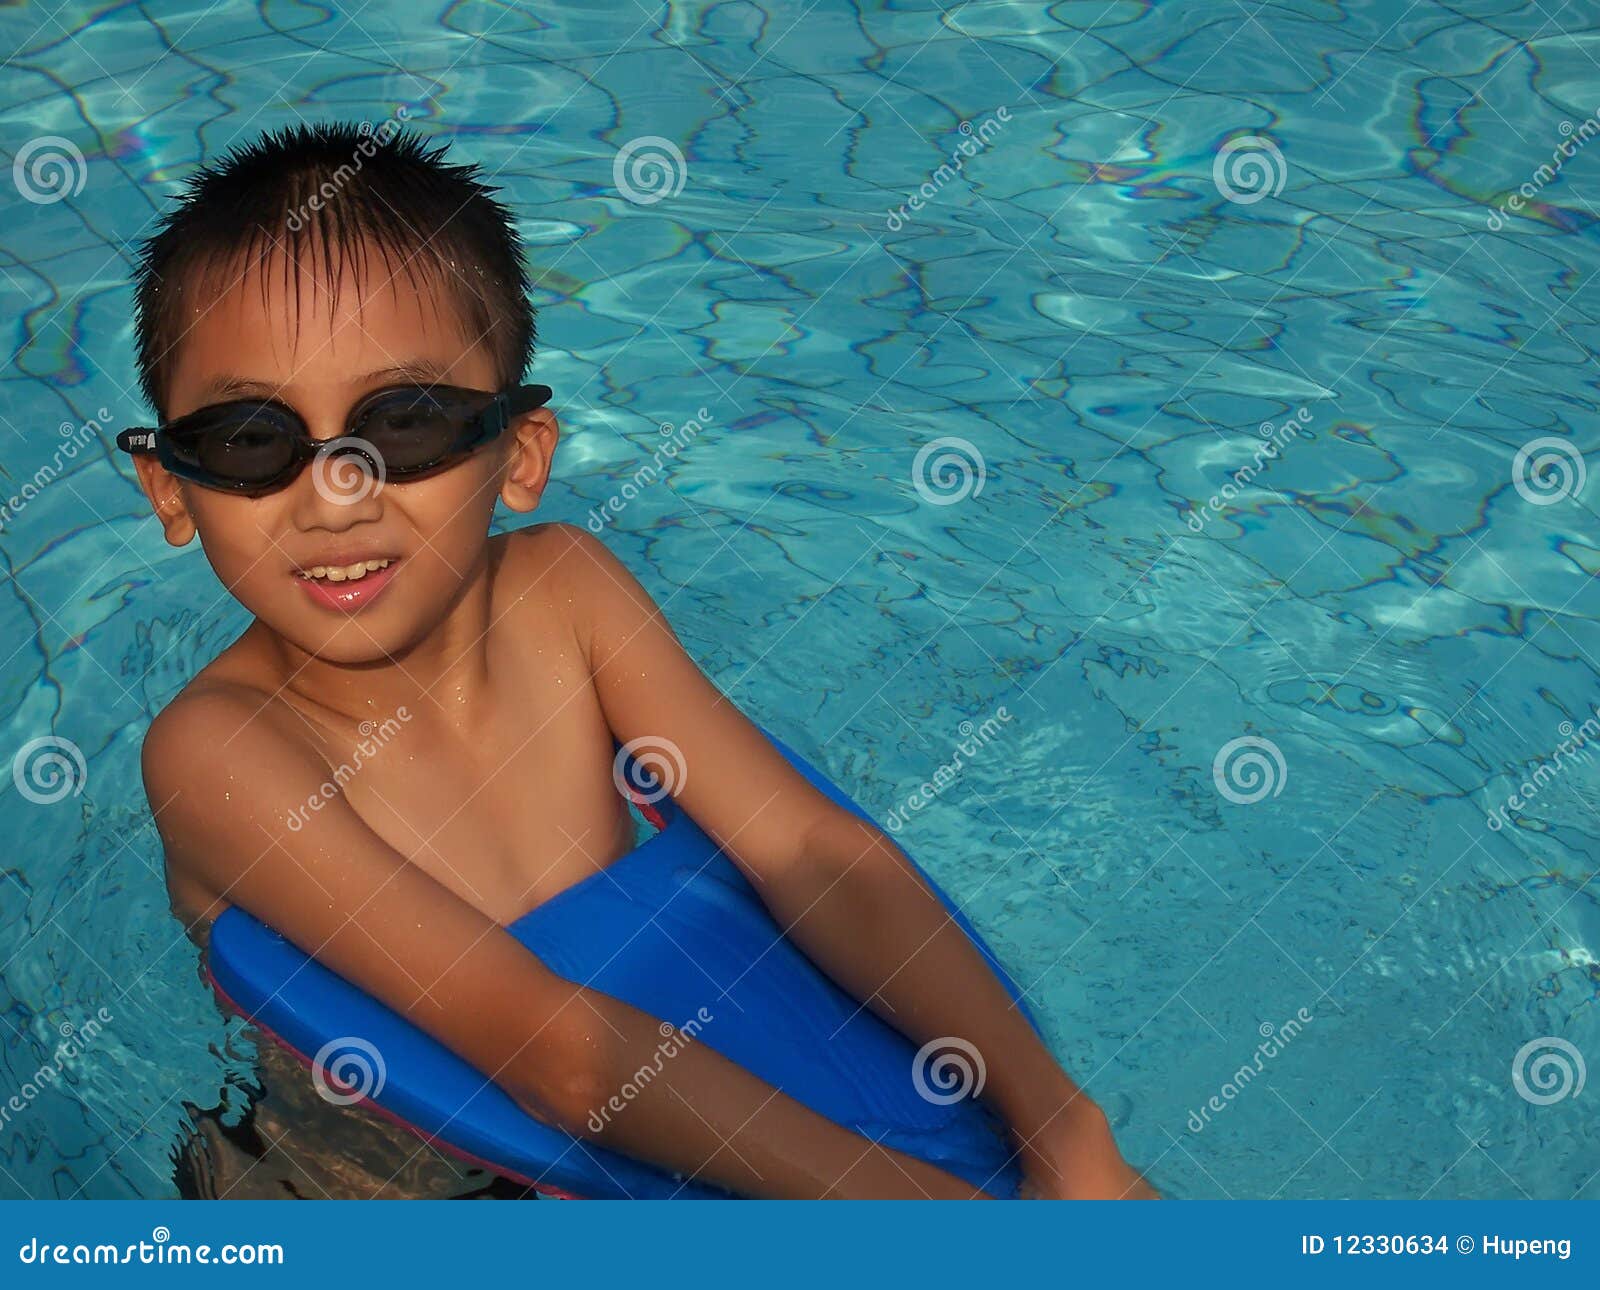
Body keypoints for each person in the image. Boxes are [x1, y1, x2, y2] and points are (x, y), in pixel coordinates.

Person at [125, 122, 1155, 1200]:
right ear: (168, 488)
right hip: (382, 1169)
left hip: (678, 1059)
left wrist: (1062, 1125)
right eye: (252, 439)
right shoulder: (219, 754)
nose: (336, 495)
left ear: (519, 456)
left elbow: (809, 851)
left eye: (408, 422)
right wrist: (915, 1209)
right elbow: (556, 1054)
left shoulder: (564, 596)